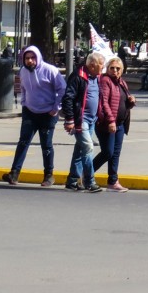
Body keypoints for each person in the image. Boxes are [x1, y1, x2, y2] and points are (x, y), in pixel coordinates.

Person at [3, 46, 67, 186]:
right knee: (23, 142)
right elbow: (24, 88)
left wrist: (56, 107)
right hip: (30, 112)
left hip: (48, 113)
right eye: (27, 58)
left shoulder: (50, 70)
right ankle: (14, 173)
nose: (30, 61)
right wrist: (24, 103)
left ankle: (48, 175)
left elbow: (62, 88)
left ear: (38, 58)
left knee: (46, 145)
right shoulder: (24, 71)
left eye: (33, 58)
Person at [62, 53, 106, 192]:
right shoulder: (78, 76)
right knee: (88, 148)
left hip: (92, 119)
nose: (103, 68)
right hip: (80, 120)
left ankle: (72, 180)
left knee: (80, 149)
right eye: (101, 65)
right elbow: (68, 98)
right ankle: (89, 181)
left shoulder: (97, 77)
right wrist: (69, 120)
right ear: (92, 65)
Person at [93, 56, 135, 192]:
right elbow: (104, 102)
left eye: (118, 69)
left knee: (115, 154)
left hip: (120, 124)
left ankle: (112, 181)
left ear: (122, 70)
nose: (115, 71)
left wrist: (131, 101)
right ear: (107, 68)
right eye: (112, 68)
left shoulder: (121, 82)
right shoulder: (105, 81)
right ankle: (87, 172)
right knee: (107, 152)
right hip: (107, 124)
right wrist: (111, 120)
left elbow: (123, 103)